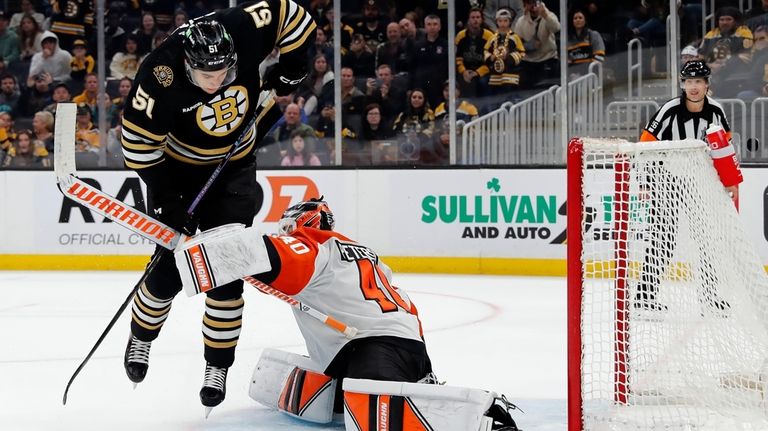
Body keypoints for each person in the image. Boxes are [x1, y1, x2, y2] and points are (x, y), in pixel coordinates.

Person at [119, 1, 316, 410]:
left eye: (224, 73)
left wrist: (295, 63)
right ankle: (141, 336)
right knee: (170, 270)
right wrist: (167, 199)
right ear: (188, 64)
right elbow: (137, 147)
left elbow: (291, 12)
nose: (216, 81)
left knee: (227, 271)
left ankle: (218, 365)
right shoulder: (160, 74)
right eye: (207, 75)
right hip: (176, 172)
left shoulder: (240, 28)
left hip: (234, 167)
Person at [635, 60, 742, 313]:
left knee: (707, 238)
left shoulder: (716, 111)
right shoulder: (669, 110)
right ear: (683, 84)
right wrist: (644, 182)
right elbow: (644, 145)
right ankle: (643, 297)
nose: (693, 87)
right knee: (663, 239)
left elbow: (724, 148)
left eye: (698, 82)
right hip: (666, 181)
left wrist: (730, 182)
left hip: (699, 182)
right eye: (688, 82)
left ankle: (709, 296)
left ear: (707, 85)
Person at [515, 0, 561, 89]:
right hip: (528, 61)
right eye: (529, 3)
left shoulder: (548, 15)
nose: (533, 6)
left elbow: (557, 28)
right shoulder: (521, 21)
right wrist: (529, 46)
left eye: (534, 2)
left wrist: (545, 16)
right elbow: (516, 44)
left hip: (547, 59)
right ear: (525, 5)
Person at [455, 7, 494, 99]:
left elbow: (491, 61)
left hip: (483, 70)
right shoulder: (461, 36)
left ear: (482, 19)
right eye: (473, 17)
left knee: (483, 82)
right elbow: (458, 57)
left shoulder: (489, 36)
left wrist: (477, 73)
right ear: (468, 19)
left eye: (477, 17)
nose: (475, 20)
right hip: (465, 70)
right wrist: (463, 71)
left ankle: (485, 109)